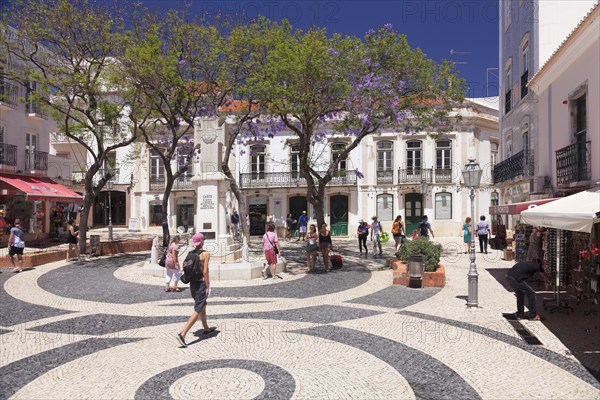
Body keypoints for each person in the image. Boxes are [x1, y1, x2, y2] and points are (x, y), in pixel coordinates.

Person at [176, 233, 214, 347]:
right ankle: (182, 334)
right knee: (198, 309)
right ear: (202, 242)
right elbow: (205, 271)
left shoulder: (190, 253)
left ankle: (206, 328)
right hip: (201, 283)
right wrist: (207, 285)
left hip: (192, 283)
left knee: (202, 305)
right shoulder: (205, 254)